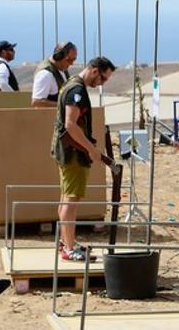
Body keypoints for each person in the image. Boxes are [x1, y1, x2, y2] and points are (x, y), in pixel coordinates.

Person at [50, 56, 116, 261]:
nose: (102, 84)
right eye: (103, 79)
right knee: (71, 200)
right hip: (73, 153)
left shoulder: (71, 85)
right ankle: (69, 249)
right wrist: (91, 150)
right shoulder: (76, 90)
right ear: (95, 70)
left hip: (67, 151)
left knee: (66, 198)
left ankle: (66, 242)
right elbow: (70, 124)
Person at [32, 42, 78, 107]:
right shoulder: (45, 74)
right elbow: (37, 102)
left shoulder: (62, 68)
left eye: (74, 59)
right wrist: (64, 106)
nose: (72, 63)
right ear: (59, 57)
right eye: (69, 60)